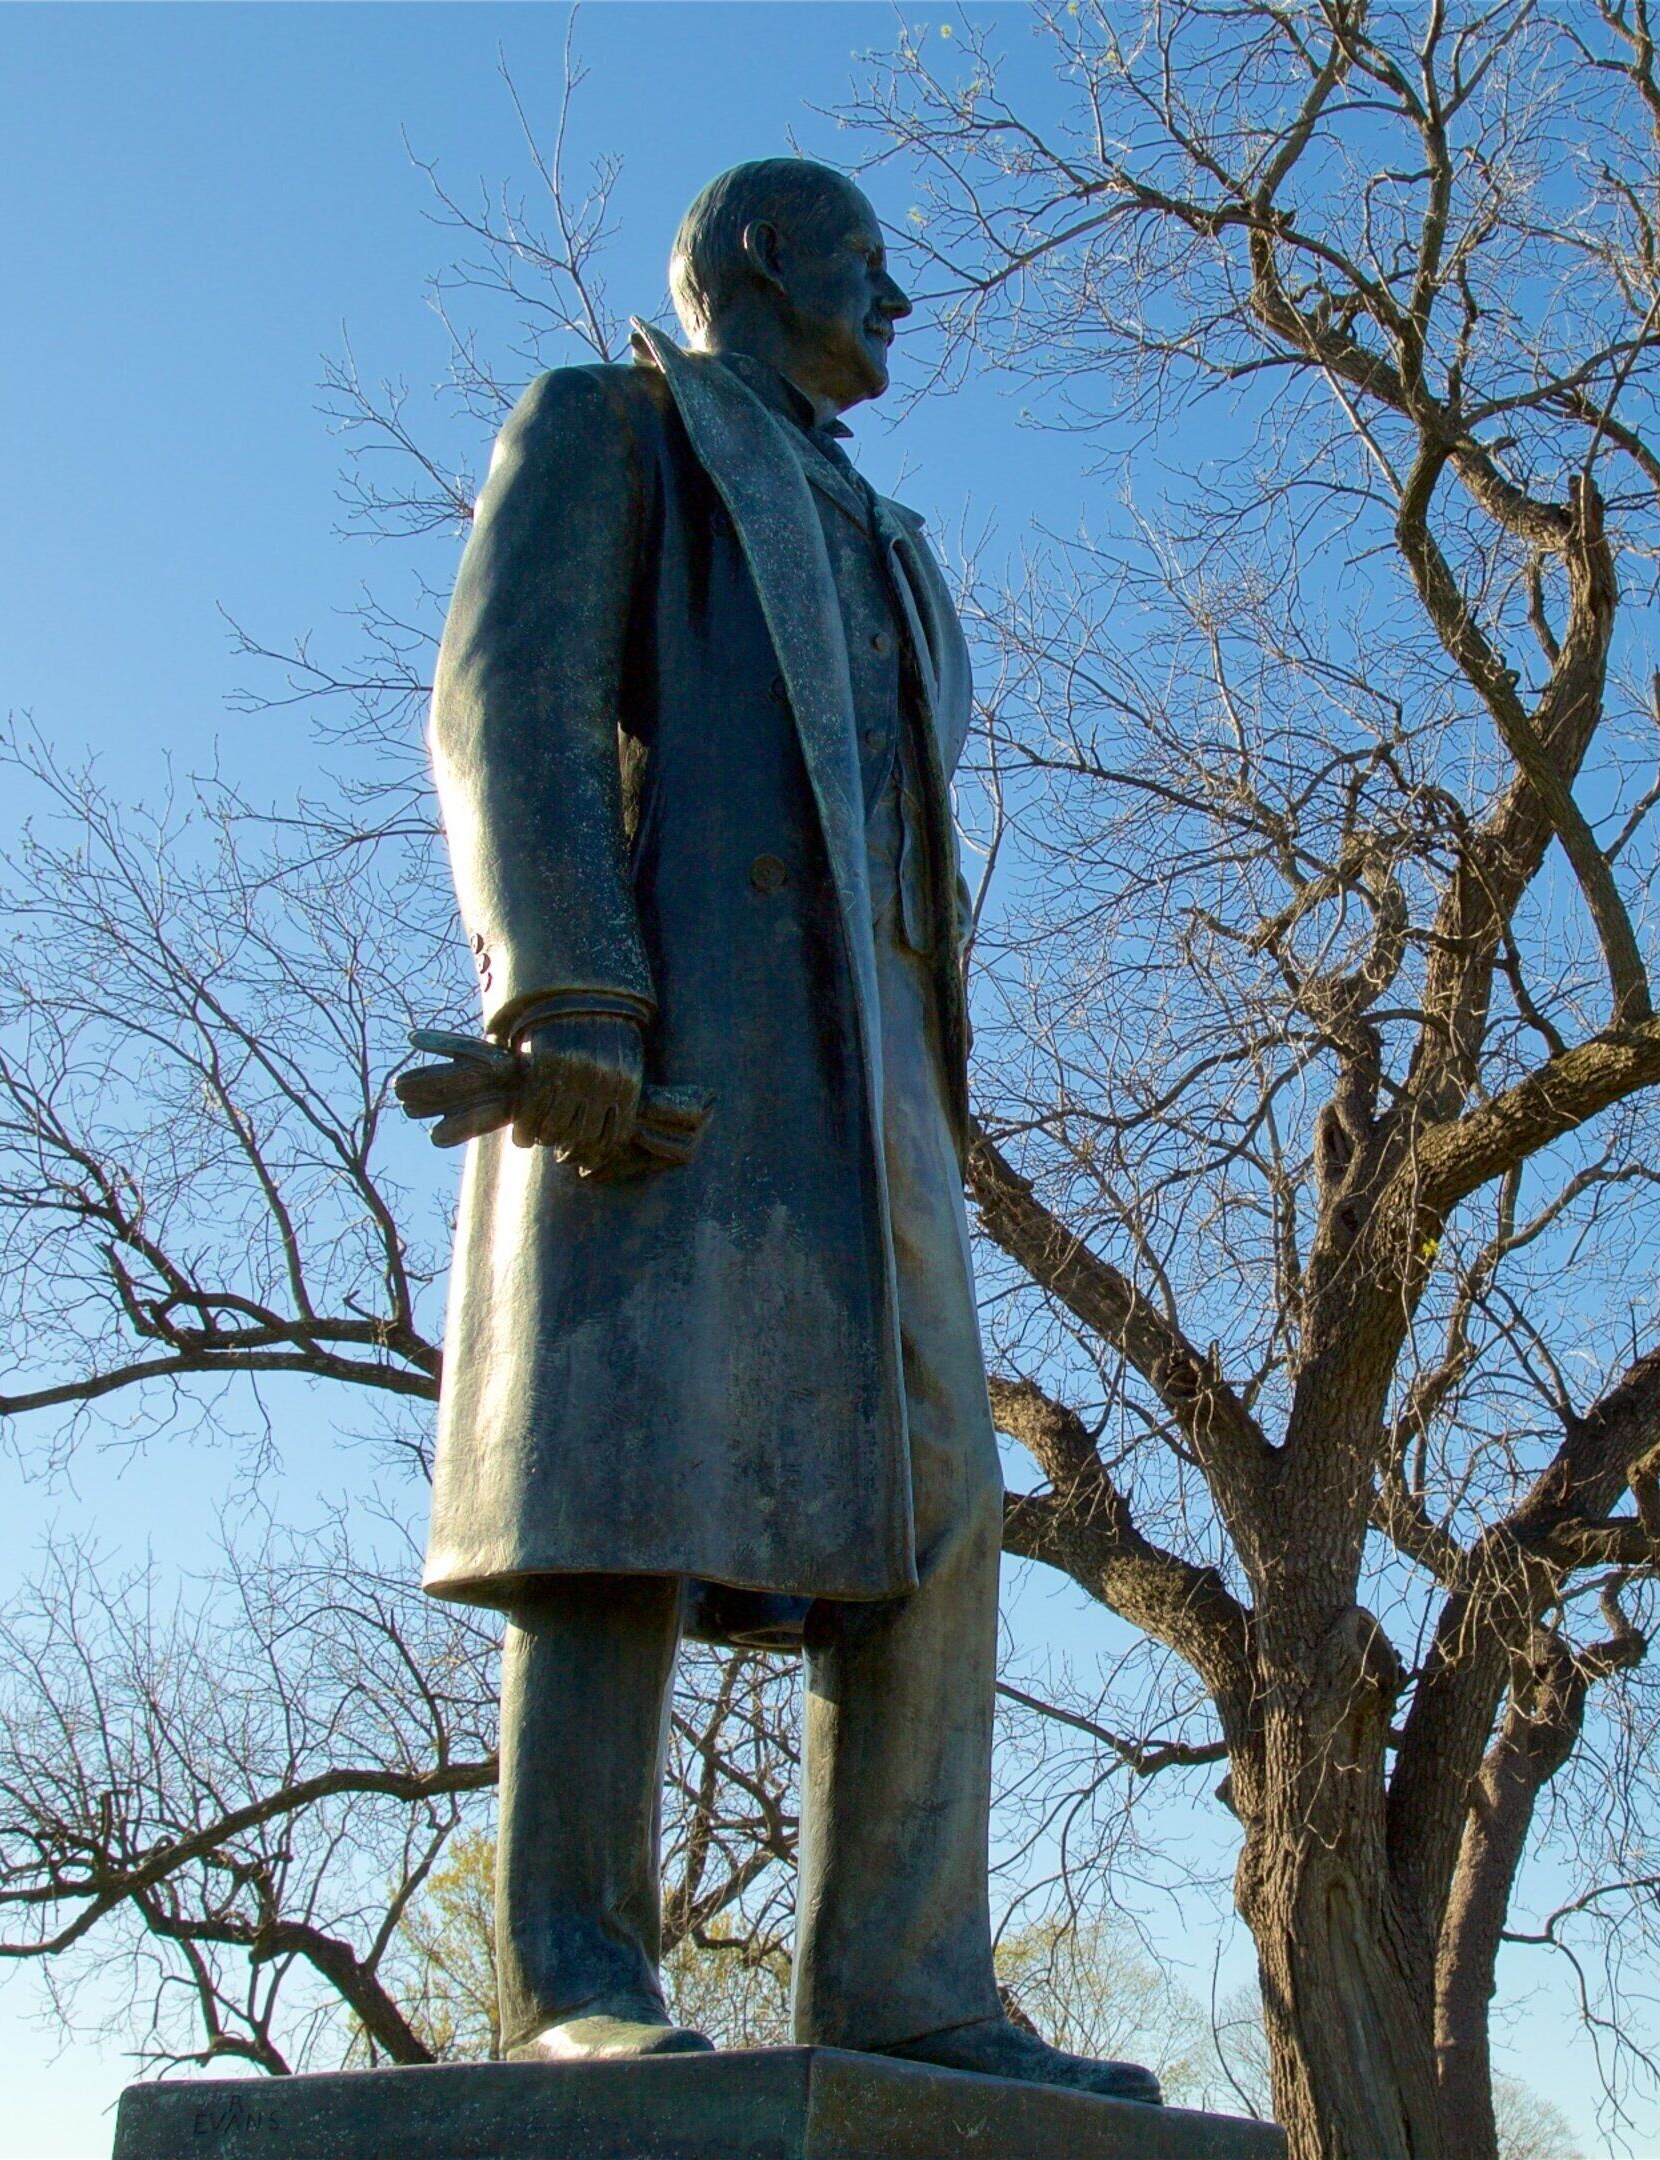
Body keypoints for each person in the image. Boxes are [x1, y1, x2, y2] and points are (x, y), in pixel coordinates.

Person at [416, 156, 1159, 2107]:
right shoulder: (615, 426)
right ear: (761, 259)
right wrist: (568, 988)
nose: (903, 300)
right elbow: (514, 698)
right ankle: (573, 1965)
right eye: (870, 264)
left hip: (884, 1067)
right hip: (683, 1031)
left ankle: (908, 1978)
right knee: (615, 1480)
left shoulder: (891, 535)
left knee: (936, 1496)